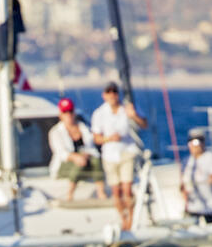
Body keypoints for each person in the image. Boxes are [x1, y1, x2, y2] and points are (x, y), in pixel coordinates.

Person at [91, 81, 149, 231]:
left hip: (126, 152)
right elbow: (96, 138)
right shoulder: (99, 113)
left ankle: (130, 219)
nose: (112, 95)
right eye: (109, 92)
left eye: (114, 92)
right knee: (116, 190)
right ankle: (123, 219)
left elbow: (144, 124)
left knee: (127, 188)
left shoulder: (127, 109)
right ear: (104, 95)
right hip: (109, 155)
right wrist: (109, 139)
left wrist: (134, 115)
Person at [47, 97, 103, 200]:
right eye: (65, 112)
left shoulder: (84, 128)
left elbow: (91, 147)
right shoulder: (56, 132)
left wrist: (85, 155)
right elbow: (61, 153)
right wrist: (76, 157)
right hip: (65, 165)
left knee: (95, 160)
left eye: (70, 111)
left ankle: (101, 192)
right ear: (61, 115)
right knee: (78, 163)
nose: (68, 115)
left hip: (86, 161)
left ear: (74, 112)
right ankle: (70, 194)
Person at [181, 129, 212, 223]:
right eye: (191, 142)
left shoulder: (210, 158)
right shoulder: (186, 161)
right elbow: (183, 185)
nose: (195, 146)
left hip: (210, 209)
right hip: (193, 209)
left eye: (197, 142)